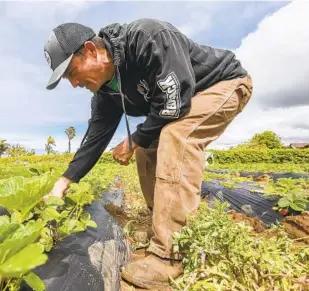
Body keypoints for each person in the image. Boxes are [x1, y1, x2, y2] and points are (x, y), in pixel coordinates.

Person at [43, 18, 253, 289]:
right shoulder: (106, 92)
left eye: (71, 72)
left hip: (221, 85)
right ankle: (161, 222)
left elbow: (176, 100)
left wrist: (135, 139)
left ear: (91, 51)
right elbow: (94, 139)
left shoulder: (147, 38)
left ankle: (170, 254)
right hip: (181, 104)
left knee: (176, 136)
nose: (73, 84)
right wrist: (62, 184)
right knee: (147, 150)